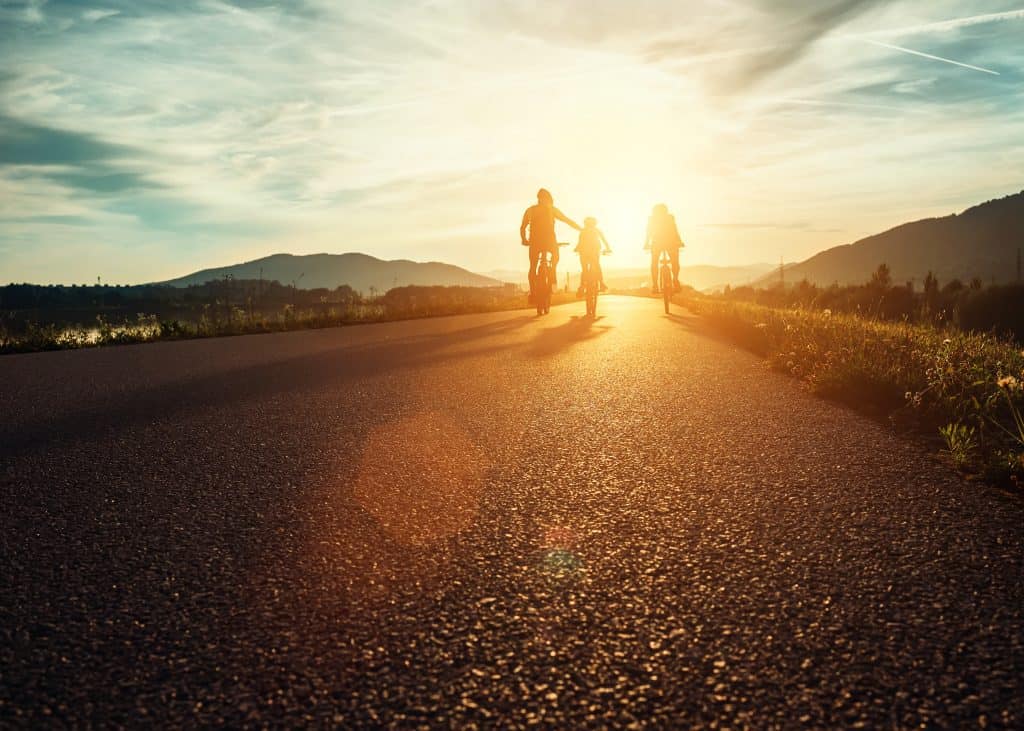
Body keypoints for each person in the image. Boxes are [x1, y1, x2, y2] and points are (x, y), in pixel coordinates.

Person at [520, 188, 581, 302]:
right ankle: (552, 278)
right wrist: (581, 229)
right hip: (549, 241)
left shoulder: (530, 210)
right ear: (548, 199)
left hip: (534, 242)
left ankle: (532, 293)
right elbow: (567, 220)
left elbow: (523, 227)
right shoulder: (552, 210)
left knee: (533, 267)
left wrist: (524, 239)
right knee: (555, 258)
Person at [644, 203, 684, 294]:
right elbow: (675, 230)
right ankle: (675, 281)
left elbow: (648, 232)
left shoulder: (652, 219)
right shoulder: (670, 218)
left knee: (654, 263)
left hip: (657, 244)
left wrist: (646, 244)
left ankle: (655, 286)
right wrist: (680, 241)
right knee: (675, 262)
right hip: (671, 243)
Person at [575, 216, 611, 297]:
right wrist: (608, 248)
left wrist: (576, 248)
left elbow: (580, 242)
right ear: (595, 224)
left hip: (584, 253)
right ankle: (601, 283)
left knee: (584, 269)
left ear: (585, 223)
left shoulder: (583, 231)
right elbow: (604, 240)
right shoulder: (597, 230)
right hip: (594, 252)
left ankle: (582, 286)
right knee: (597, 266)